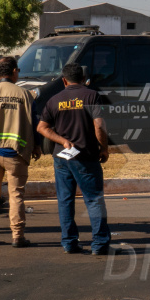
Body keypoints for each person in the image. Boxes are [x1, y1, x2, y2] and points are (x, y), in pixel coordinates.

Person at [37, 62, 112, 255]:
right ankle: (100, 244)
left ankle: (69, 243)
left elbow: (42, 128)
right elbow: (99, 126)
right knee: (94, 200)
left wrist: (62, 141)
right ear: (83, 79)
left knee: (65, 200)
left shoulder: (54, 100)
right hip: (86, 156)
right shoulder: (91, 95)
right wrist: (103, 148)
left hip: (62, 158)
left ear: (64, 80)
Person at [0, 56, 41, 248]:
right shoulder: (26, 95)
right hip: (16, 153)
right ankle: (17, 236)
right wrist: (36, 146)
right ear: (14, 72)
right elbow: (34, 123)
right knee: (16, 195)